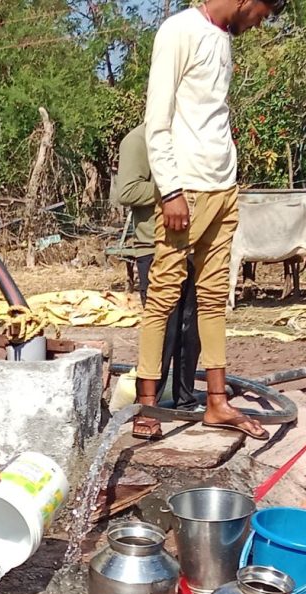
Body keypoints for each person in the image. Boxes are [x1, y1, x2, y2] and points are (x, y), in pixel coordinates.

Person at [137, 0, 284, 441]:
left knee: (214, 297)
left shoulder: (222, 38)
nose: (258, 23)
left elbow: (211, 117)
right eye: (261, 14)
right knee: (163, 296)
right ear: (245, 1)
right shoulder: (179, 30)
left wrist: (228, 179)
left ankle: (217, 401)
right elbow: (156, 120)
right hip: (186, 190)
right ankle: (147, 407)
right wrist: (171, 190)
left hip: (223, 188)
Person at [115, 123, 200, 426]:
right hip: (154, 246)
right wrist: (172, 190)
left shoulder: (187, 137)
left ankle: (186, 401)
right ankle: (149, 406)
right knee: (164, 329)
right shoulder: (138, 140)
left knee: (191, 330)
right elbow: (126, 190)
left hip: (191, 246)